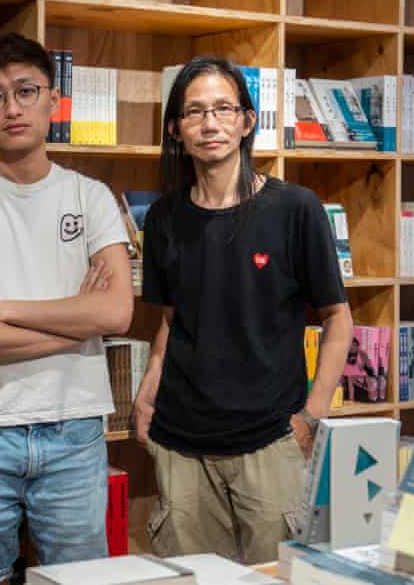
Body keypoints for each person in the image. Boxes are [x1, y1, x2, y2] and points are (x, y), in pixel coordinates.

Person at [0, 32, 133, 585]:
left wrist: (2, 308)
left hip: (74, 430)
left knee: (81, 581)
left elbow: (115, 316)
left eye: (26, 90)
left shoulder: (91, 197)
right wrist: (72, 326)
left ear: (53, 101)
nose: (12, 107)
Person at [133, 56, 354, 564]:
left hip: (271, 441)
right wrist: (147, 392)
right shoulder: (164, 217)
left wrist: (311, 418)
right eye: (194, 112)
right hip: (180, 445)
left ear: (247, 121)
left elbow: (338, 320)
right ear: (176, 129)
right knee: (192, 579)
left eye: (223, 109)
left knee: (280, 575)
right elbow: (171, 319)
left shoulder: (295, 208)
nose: (210, 124)